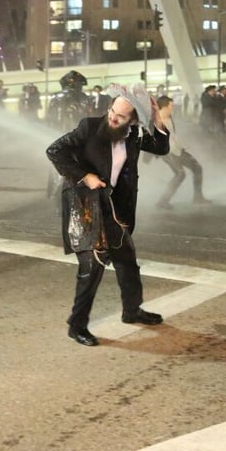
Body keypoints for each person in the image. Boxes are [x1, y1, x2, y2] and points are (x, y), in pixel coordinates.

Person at [46, 90, 169, 347]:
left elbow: (161, 148)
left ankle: (132, 311)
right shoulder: (89, 126)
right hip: (86, 204)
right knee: (92, 266)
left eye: (121, 116)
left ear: (133, 120)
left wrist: (157, 118)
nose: (112, 118)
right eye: (112, 111)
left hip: (114, 208)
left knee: (127, 261)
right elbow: (55, 150)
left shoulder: (134, 134)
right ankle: (76, 325)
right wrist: (85, 176)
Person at [154, 95, 210, 209]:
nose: (172, 108)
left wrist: (182, 146)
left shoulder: (169, 118)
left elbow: (173, 135)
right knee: (180, 174)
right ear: (165, 106)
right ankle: (163, 201)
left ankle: (198, 197)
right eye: (171, 105)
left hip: (177, 149)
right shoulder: (157, 120)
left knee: (197, 168)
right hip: (167, 152)